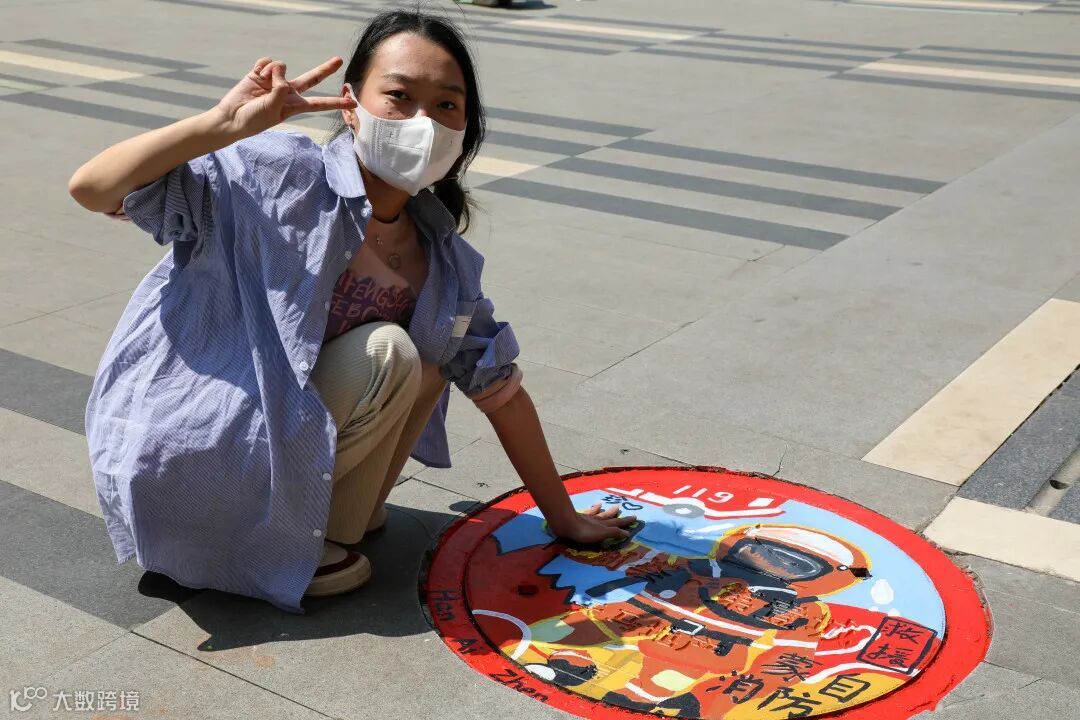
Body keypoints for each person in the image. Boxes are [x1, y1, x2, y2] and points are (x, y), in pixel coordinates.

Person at [67, 9, 635, 614]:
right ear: (350, 104)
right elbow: (92, 188)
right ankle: (253, 541)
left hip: (287, 435)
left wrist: (564, 517)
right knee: (390, 351)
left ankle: (325, 524)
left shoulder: (439, 256)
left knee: (435, 353)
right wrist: (220, 126)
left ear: (465, 129)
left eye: (446, 105)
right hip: (204, 447)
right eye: (399, 96)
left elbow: (500, 390)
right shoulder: (276, 172)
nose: (423, 122)